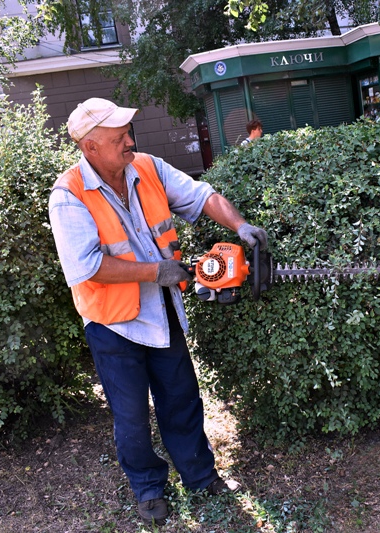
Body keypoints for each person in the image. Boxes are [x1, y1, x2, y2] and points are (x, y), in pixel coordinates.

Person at [48, 98, 269, 525]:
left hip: (162, 310)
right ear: (89, 147)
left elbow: (203, 196)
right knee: (130, 415)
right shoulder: (68, 195)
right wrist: (156, 270)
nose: (129, 142)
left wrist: (240, 226)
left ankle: (200, 475)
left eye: (128, 133)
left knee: (181, 398)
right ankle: (148, 487)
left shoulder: (147, 167)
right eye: (117, 139)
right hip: (113, 324)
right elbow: (86, 266)